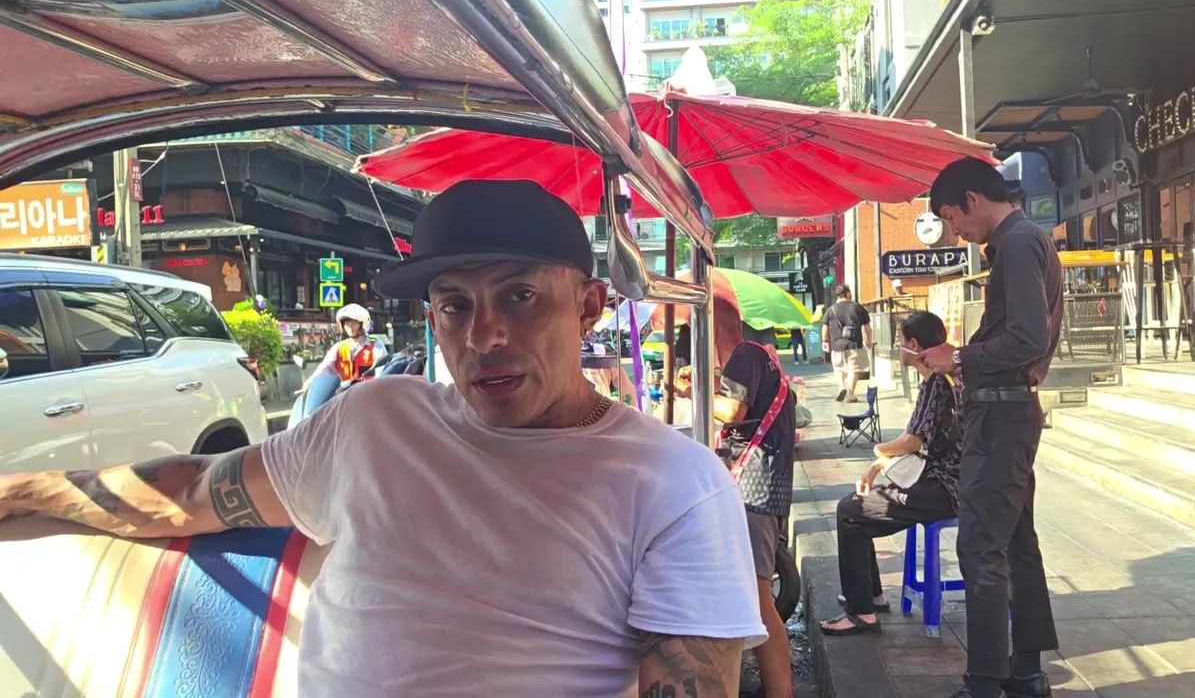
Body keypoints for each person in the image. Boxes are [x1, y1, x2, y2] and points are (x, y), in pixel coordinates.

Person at [0, 179, 766, 697]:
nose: (486, 335)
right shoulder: (372, 420)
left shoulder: (674, 481)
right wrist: (23, 489)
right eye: (455, 306)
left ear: (590, 306)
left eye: (520, 297)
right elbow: (195, 492)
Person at [917, 158, 1062, 698]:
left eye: (951, 216)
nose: (953, 228)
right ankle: (1025, 673)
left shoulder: (1018, 243)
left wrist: (957, 358)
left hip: (1002, 417)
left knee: (980, 549)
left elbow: (1026, 339)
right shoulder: (1024, 240)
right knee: (1016, 544)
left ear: (973, 199)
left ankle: (984, 683)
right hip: (1008, 412)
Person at [819, 311, 961, 636]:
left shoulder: (939, 384)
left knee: (850, 512)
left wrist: (878, 450)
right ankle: (871, 597)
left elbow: (912, 441)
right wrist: (875, 468)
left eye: (899, 341)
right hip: (932, 481)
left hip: (943, 489)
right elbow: (912, 442)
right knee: (856, 504)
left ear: (914, 345)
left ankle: (862, 612)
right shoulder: (933, 382)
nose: (897, 347)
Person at [712, 307, 798, 698]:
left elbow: (733, 410)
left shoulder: (745, 355)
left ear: (716, 327)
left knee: (759, 599)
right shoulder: (761, 358)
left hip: (753, 491)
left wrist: (699, 391)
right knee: (755, 595)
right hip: (765, 486)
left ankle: (780, 692)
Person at [821, 283, 872, 403]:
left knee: (839, 368)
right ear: (848, 294)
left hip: (836, 346)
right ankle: (851, 395)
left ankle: (841, 386)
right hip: (854, 344)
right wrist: (868, 340)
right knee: (853, 369)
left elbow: (825, 327)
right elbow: (867, 327)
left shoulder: (830, 310)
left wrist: (825, 341)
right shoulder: (857, 307)